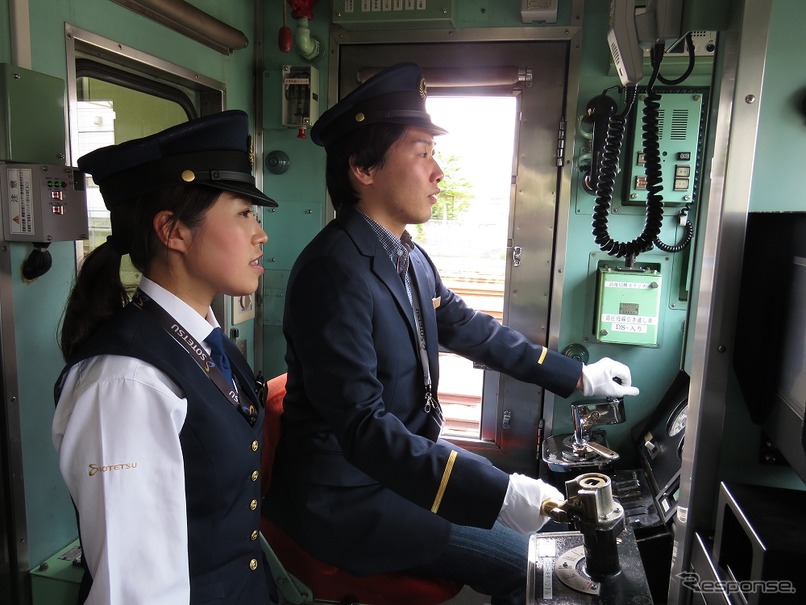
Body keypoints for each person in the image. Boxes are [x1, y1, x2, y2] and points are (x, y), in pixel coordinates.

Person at [265, 63, 639, 604]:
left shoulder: (406, 255)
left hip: (398, 470)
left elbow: (470, 329)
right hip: (352, 496)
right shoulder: (332, 271)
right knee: (540, 571)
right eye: (421, 152)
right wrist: (501, 490)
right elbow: (364, 428)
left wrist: (577, 376)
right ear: (362, 169)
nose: (438, 171)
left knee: (542, 530)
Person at [53, 110, 279, 605]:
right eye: (243, 213)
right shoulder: (125, 384)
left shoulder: (206, 342)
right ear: (173, 232)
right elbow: (135, 592)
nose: (259, 234)